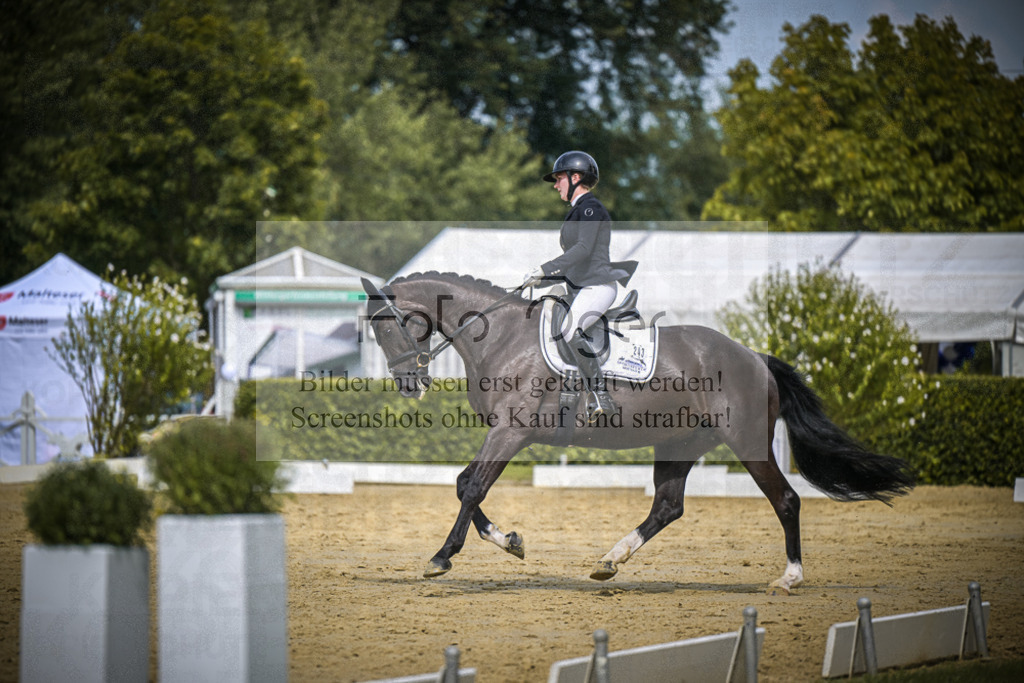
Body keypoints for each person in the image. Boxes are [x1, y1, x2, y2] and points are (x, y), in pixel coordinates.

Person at [523, 150, 636, 421]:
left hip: (598, 286)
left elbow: (584, 249)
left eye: (559, 178)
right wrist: (541, 280)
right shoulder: (578, 211)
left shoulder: (590, 208)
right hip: (583, 285)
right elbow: (575, 265)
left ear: (576, 178)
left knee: (570, 329)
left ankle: (600, 395)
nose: (555, 184)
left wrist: (546, 267)